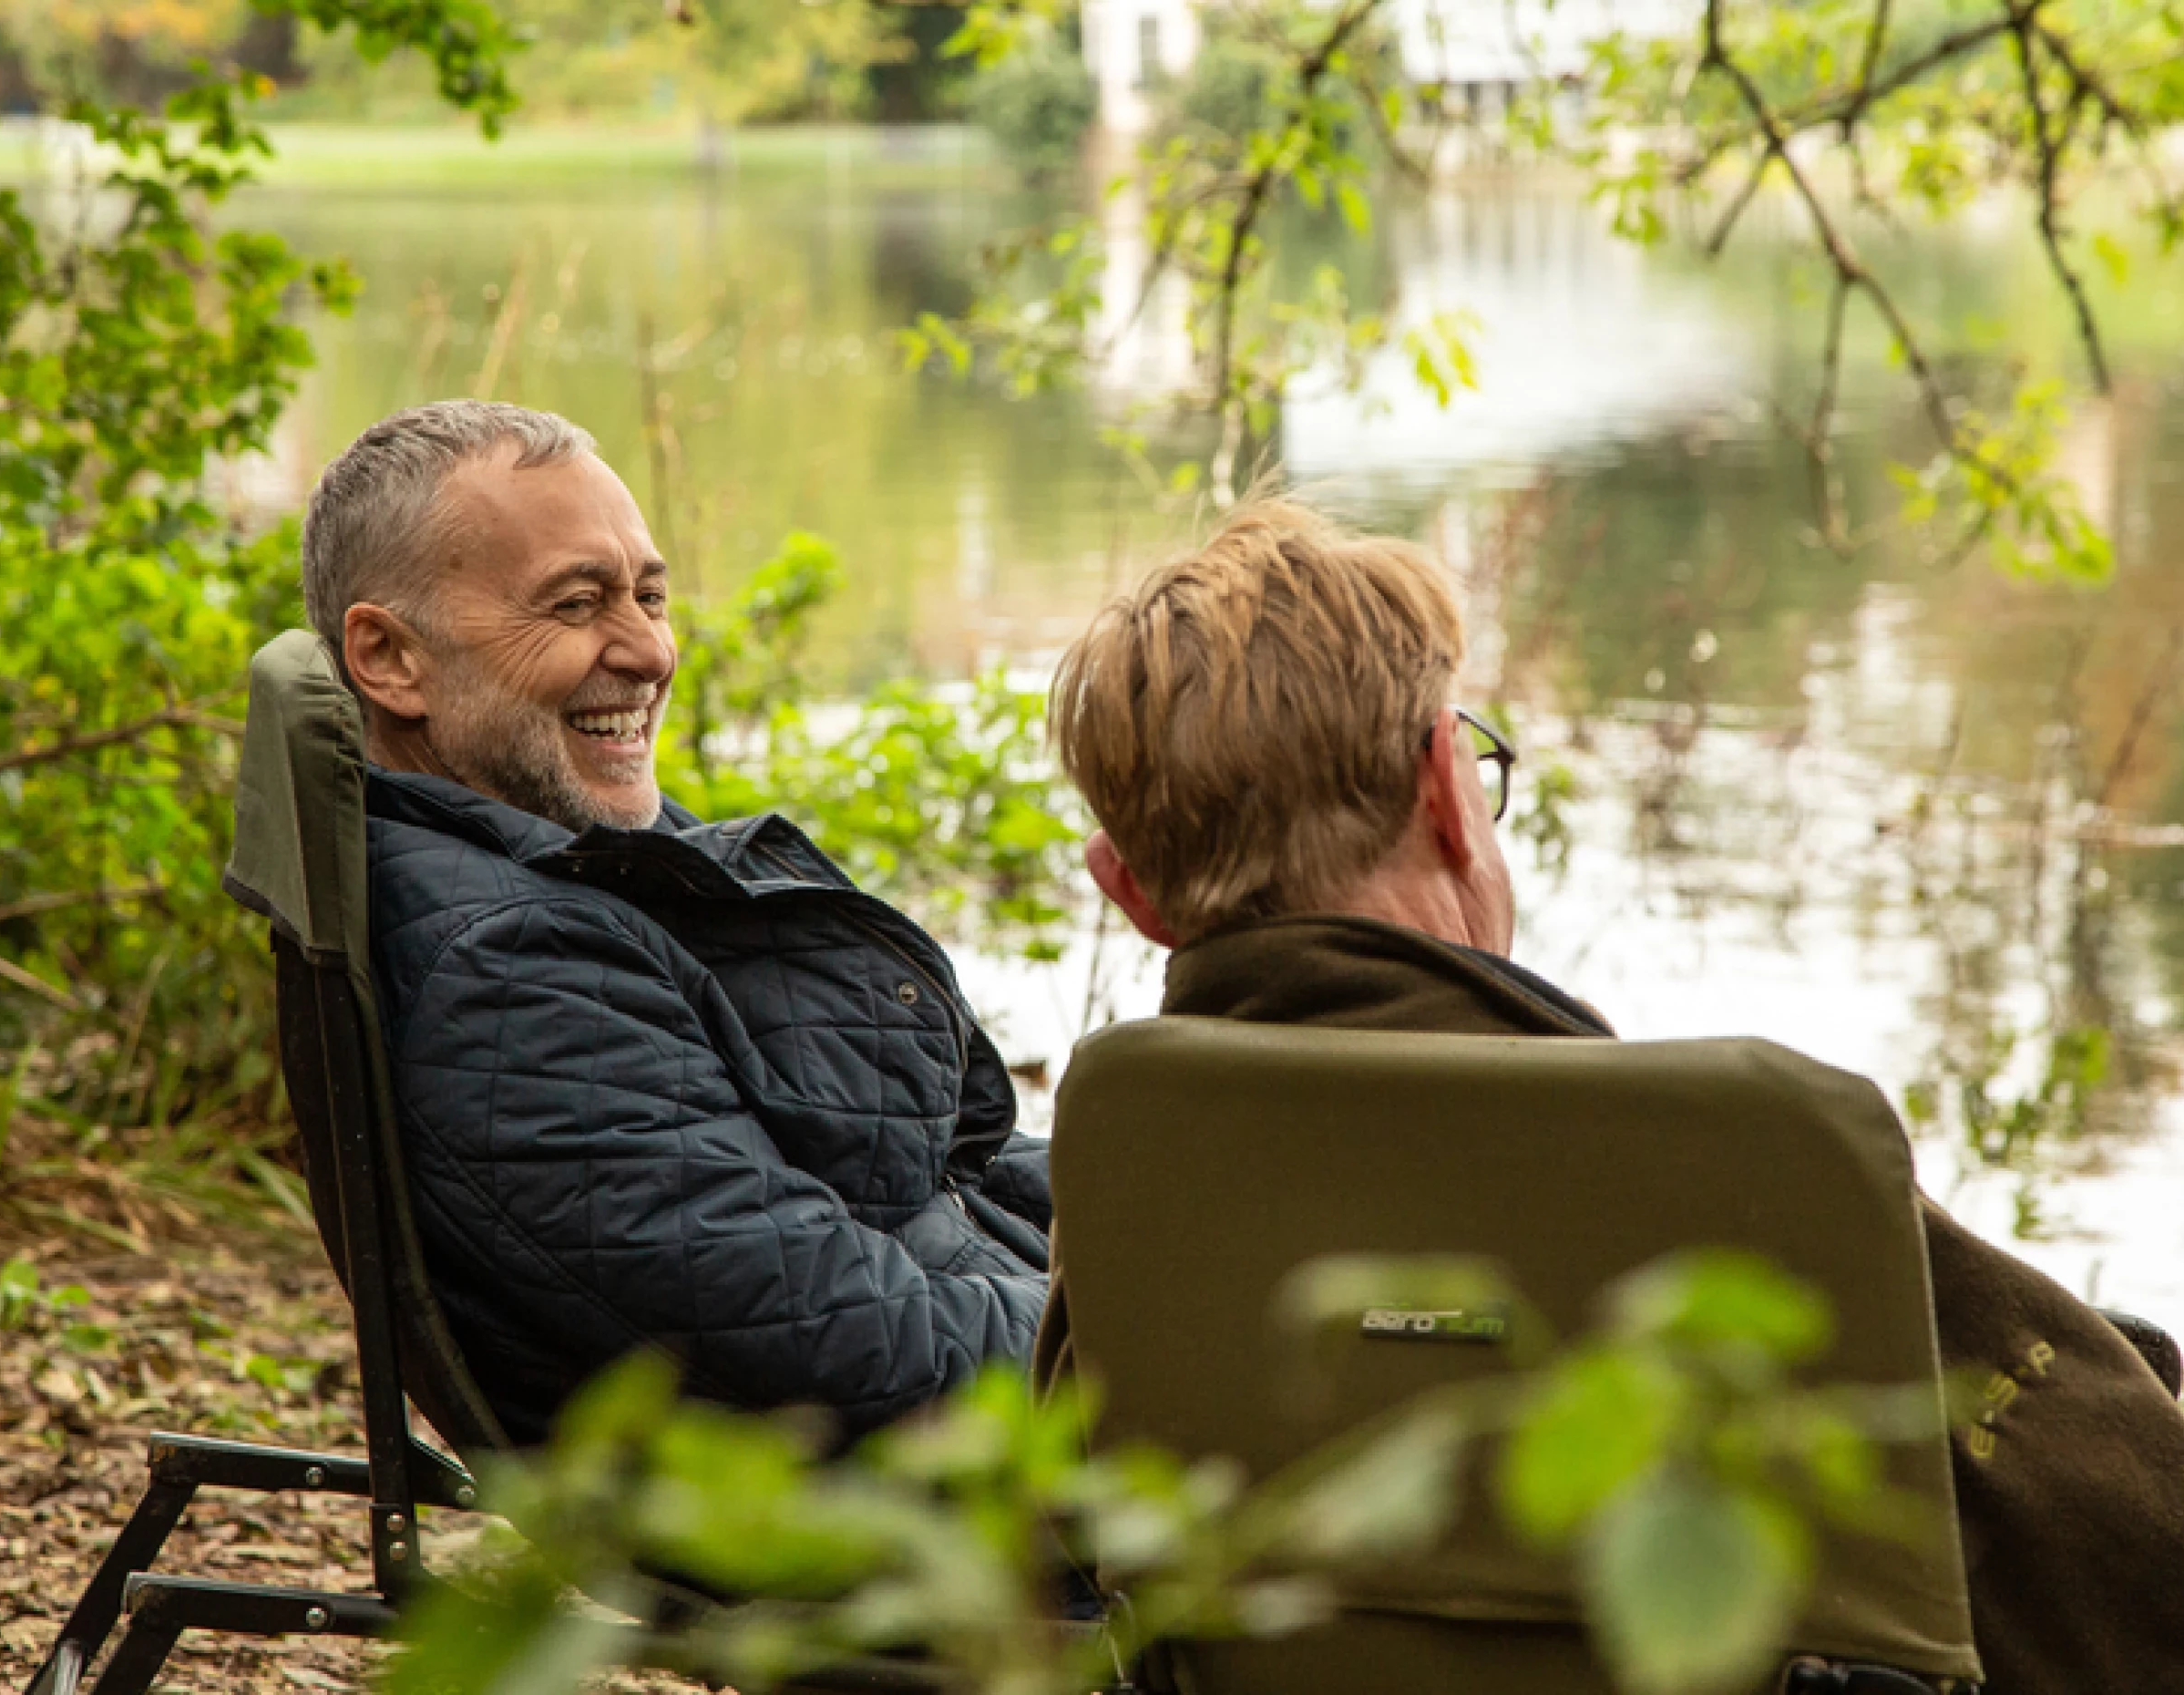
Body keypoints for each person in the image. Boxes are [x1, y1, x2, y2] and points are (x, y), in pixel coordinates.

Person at [1036, 498, 2184, 1694]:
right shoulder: (1752, 1154)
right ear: (1444, 787)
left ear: (1128, 891)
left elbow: (1080, 1530)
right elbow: (2140, 1553)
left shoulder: (1131, 1178)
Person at [299, 399, 1048, 1444]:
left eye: (650, 596)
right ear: (388, 659)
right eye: (574, 606)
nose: (647, 652)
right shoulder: (512, 988)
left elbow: (924, 1172)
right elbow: (862, 1348)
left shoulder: (561, 857)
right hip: (922, 1506)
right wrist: (1174, 1331)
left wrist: (1167, 1200)